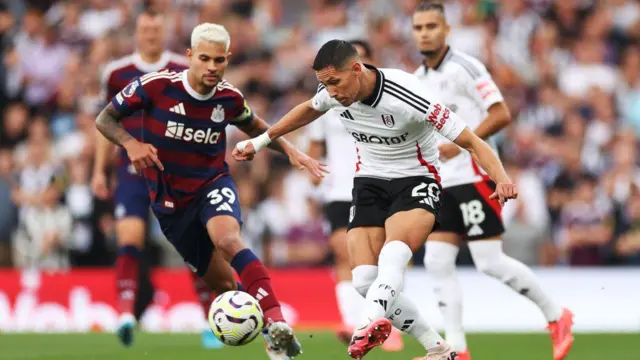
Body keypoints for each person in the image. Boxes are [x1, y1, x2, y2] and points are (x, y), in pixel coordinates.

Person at [234, 39, 517, 360]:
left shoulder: (409, 94)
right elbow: (307, 111)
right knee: (364, 280)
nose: (331, 92)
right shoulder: (333, 94)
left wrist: (502, 178)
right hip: (369, 183)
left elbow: (472, 141)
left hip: (417, 180)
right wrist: (258, 142)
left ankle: (365, 324)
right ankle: (439, 349)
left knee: (393, 255)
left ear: (357, 69)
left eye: (335, 82)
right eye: (324, 85)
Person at [95, 22, 323, 359]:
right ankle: (270, 335)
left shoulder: (229, 97)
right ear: (189, 56)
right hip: (171, 204)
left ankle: (278, 323)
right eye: (205, 59)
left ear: (228, 59)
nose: (213, 67)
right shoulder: (155, 87)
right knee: (224, 286)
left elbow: (255, 125)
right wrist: (130, 144)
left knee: (229, 240)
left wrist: (290, 149)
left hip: (212, 184)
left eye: (220, 60)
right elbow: (105, 119)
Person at [411, 4, 574, 360]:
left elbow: (501, 113)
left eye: (431, 26)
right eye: (418, 27)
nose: (424, 33)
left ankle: (556, 315)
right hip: (441, 183)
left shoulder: (467, 68)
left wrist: (460, 144)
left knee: (488, 261)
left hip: (474, 175)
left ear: (446, 29)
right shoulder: (416, 80)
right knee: (437, 260)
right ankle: (457, 349)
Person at [91, 9, 224, 349]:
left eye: (156, 29)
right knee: (129, 238)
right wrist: (98, 170)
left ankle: (211, 319)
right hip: (132, 173)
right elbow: (105, 121)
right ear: (137, 32)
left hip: (175, 172)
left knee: (193, 247)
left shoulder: (182, 67)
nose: (150, 35)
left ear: (163, 32)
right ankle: (124, 313)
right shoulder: (116, 72)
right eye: (145, 29)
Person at [306, 39, 404, 352]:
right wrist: (313, 173)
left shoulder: (388, 96)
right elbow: (314, 144)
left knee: (387, 254)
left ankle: (389, 319)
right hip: (340, 187)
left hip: (383, 182)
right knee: (343, 251)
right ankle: (352, 321)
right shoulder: (329, 97)